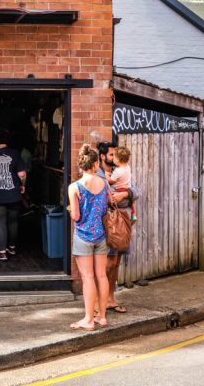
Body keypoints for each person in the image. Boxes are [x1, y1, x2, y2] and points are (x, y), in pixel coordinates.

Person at [68, 144, 109, 330]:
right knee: (102, 276)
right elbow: (103, 209)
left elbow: (76, 216)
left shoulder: (74, 187)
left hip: (83, 236)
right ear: (93, 164)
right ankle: (101, 316)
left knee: (88, 278)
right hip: (100, 235)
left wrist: (72, 210)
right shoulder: (104, 183)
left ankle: (88, 320)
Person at [96, 141, 139, 314]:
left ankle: (111, 299)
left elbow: (137, 190)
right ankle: (100, 300)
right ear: (102, 156)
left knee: (116, 262)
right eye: (111, 155)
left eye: (116, 155)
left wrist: (125, 193)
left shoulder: (120, 171)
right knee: (108, 263)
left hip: (122, 221)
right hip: (107, 223)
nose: (115, 158)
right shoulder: (98, 173)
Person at [0, 129, 26, 262]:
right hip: (14, 194)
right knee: (13, 221)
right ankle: (12, 247)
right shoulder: (15, 153)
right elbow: (22, 174)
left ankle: (3, 253)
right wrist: (22, 185)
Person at [108, 145, 136, 221]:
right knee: (131, 201)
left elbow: (111, 181)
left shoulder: (118, 171)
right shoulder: (127, 167)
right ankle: (133, 214)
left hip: (118, 189)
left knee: (110, 194)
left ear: (117, 159)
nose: (113, 158)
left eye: (113, 156)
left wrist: (106, 176)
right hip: (127, 188)